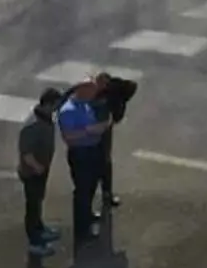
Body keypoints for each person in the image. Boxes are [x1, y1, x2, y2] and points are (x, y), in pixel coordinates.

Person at [56, 79, 109, 241]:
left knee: (91, 186)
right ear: (83, 90)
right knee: (82, 191)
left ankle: (88, 215)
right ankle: (82, 229)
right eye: (92, 91)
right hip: (80, 154)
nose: (95, 94)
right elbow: (68, 137)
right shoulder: (68, 111)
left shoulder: (86, 103)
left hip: (92, 150)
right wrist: (91, 130)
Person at [16, 90, 61, 258]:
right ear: (47, 104)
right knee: (32, 206)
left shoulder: (49, 117)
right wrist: (37, 167)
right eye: (56, 105)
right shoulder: (32, 125)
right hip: (32, 172)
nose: (58, 109)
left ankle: (41, 229)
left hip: (42, 168)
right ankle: (34, 242)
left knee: (39, 200)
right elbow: (26, 153)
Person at [95, 72, 138, 212]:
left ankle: (107, 194)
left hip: (104, 131)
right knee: (94, 165)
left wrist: (113, 86)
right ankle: (98, 196)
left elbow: (131, 86)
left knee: (105, 163)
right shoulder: (91, 94)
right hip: (91, 132)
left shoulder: (111, 90)